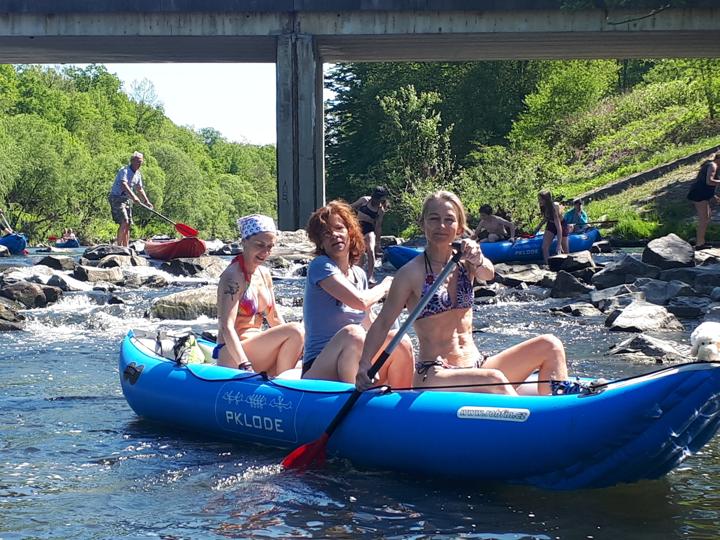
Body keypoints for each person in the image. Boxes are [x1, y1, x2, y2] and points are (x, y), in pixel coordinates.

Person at [356, 190, 574, 396]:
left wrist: (478, 258)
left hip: (478, 364)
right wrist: (365, 364)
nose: (441, 225)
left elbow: (488, 274)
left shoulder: (466, 261)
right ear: (422, 223)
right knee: (494, 379)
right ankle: (534, 421)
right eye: (434, 219)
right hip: (435, 373)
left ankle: (559, 409)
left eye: (449, 219)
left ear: (459, 227)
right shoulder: (409, 273)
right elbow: (383, 323)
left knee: (550, 345)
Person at [301, 200, 413, 387]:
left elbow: (368, 321)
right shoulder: (320, 266)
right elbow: (360, 302)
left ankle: (403, 399)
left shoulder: (359, 274)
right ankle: (357, 396)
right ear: (320, 242)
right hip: (319, 367)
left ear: (350, 232)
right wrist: (386, 285)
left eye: (339, 228)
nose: (334, 235)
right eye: (326, 233)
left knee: (400, 341)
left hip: (354, 357)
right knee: (353, 333)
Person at [215, 214, 305, 375]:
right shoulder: (233, 277)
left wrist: (301, 348)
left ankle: (283, 378)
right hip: (233, 354)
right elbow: (226, 326)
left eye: (270, 246)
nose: (265, 252)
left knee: (301, 335)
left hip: (259, 349)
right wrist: (244, 364)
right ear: (244, 242)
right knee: (296, 330)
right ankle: (282, 383)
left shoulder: (264, 274)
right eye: (260, 245)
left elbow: (274, 318)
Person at [108, 151, 153, 247]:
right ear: (132, 161)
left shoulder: (138, 174)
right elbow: (124, 185)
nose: (139, 164)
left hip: (126, 200)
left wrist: (146, 201)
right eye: (138, 162)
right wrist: (134, 197)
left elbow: (139, 188)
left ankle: (126, 246)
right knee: (124, 221)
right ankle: (119, 246)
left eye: (141, 162)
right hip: (116, 198)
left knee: (128, 223)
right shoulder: (124, 170)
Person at [351, 186, 390, 284]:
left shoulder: (380, 210)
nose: (377, 201)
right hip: (358, 227)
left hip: (369, 229)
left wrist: (378, 242)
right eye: (376, 198)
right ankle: (357, 274)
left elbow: (378, 226)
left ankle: (370, 275)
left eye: (379, 199)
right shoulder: (364, 200)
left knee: (371, 250)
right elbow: (350, 207)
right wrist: (357, 215)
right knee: (359, 252)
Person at [687, 153, 720, 249]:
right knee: (704, 219)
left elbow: (705, 183)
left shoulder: (712, 166)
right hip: (699, 195)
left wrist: (713, 196)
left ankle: (701, 241)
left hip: (701, 194)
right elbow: (709, 181)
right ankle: (699, 244)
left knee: (707, 218)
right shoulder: (712, 165)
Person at [536, 190, 569, 265]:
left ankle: (567, 264)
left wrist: (559, 244)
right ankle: (548, 265)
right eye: (539, 199)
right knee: (544, 247)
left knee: (565, 248)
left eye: (541, 199)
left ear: (546, 199)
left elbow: (559, 227)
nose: (539, 201)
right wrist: (538, 227)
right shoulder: (543, 206)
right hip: (551, 224)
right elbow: (546, 217)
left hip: (561, 224)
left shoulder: (554, 207)